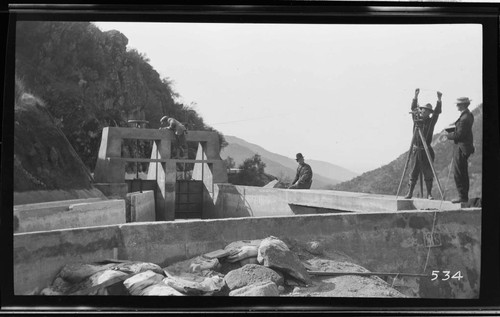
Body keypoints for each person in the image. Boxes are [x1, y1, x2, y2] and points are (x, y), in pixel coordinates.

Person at [405, 88, 442, 200]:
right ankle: (410, 193)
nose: (423, 112)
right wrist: (415, 97)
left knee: (428, 172)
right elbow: (413, 108)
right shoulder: (416, 119)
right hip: (416, 150)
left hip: (427, 150)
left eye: (426, 111)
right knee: (413, 172)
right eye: (422, 110)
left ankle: (429, 194)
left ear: (429, 113)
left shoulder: (431, 121)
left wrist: (439, 100)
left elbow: (437, 113)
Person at [446, 97, 474, 203]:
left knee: (459, 173)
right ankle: (463, 196)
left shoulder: (465, 117)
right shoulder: (467, 115)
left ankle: (462, 197)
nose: (456, 106)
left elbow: (459, 135)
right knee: (461, 172)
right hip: (463, 147)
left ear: (462, 105)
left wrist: (448, 135)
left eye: (458, 104)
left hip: (462, 148)